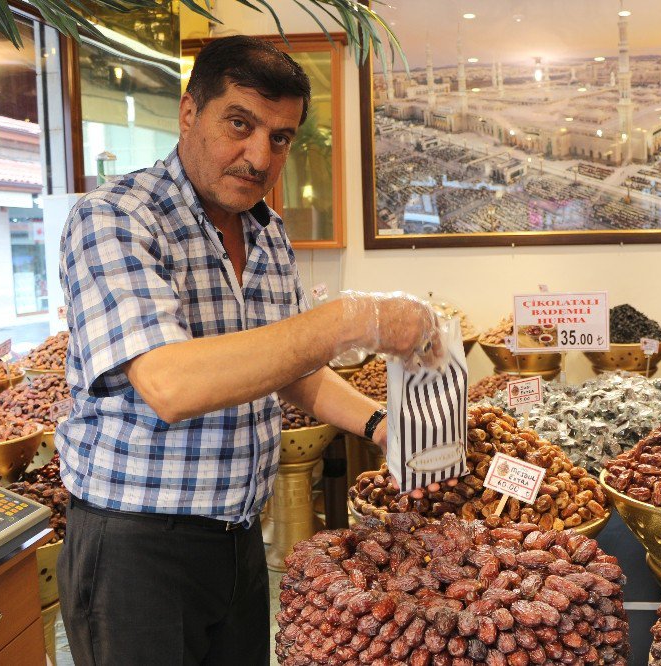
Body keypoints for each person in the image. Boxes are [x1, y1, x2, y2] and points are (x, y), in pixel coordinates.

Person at [55, 36, 445, 666]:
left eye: (281, 137)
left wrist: (381, 425)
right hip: (136, 548)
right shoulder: (117, 219)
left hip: (239, 539)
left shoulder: (267, 232)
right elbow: (170, 385)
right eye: (240, 123)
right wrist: (352, 318)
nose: (259, 155)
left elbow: (292, 372)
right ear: (189, 113)